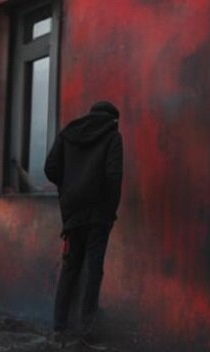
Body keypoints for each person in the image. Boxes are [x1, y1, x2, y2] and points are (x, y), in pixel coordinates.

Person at [44, 100, 123, 340]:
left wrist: (68, 190)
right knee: (93, 268)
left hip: (72, 212)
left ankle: (59, 327)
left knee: (70, 267)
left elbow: (50, 168)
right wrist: (110, 211)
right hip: (98, 212)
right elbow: (113, 175)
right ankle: (88, 330)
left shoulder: (68, 133)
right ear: (113, 119)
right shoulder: (113, 136)